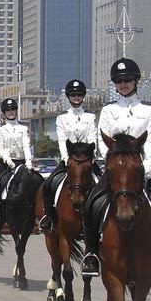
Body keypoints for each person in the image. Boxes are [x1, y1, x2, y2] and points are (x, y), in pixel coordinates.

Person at [80, 58, 151, 278]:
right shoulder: (108, 111)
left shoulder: (147, 111)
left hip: (141, 172)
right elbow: (102, 143)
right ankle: (91, 255)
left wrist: (146, 168)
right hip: (116, 173)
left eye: (127, 79)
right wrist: (111, 166)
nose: (123, 84)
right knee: (91, 206)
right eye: (119, 81)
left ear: (136, 81)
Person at [38, 79, 99, 233]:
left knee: (104, 181)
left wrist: (91, 156)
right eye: (73, 95)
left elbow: (93, 138)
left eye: (79, 95)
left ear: (83, 96)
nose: (76, 97)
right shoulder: (62, 118)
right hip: (70, 160)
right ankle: (49, 218)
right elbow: (62, 140)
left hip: (86, 160)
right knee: (49, 184)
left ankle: (102, 219)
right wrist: (66, 159)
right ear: (68, 97)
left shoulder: (90, 117)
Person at [0, 98, 33, 222]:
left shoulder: (23, 128)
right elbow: (0, 147)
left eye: (13, 109)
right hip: (6, 163)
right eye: (8, 110)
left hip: (21, 161)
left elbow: (26, 145)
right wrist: (8, 161)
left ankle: (36, 211)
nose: (11, 112)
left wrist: (29, 161)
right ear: (4, 112)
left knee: (35, 182)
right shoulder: (1, 129)